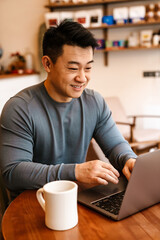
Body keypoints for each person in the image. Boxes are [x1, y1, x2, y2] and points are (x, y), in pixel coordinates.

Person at [0, 20, 137, 199]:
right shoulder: (19, 108)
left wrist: (129, 159)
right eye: (73, 68)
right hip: (32, 204)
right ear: (48, 64)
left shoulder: (94, 102)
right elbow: (13, 172)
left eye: (88, 68)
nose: (82, 78)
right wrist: (75, 171)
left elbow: (116, 145)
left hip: (74, 199)